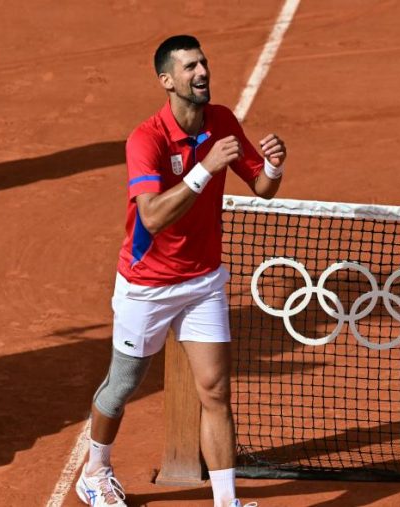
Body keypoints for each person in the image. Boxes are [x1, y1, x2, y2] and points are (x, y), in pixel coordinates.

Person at [75, 34, 285, 507]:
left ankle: (226, 501)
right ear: (167, 81)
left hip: (202, 283)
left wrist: (273, 167)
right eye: (190, 67)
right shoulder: (145, 138)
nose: (202, 72)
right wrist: (204, 169)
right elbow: (151, 215)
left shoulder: (222, 120)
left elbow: (262, 186)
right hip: (146, 285)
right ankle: (95, 471)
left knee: (215, 389)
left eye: (204, 63)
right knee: (123, 384)